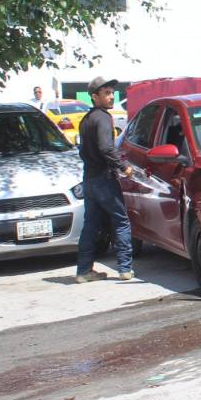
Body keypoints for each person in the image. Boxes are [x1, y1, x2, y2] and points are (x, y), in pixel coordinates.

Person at [75, 77, 134, 283]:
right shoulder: (102, 118)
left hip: (89, 179)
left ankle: (83, 271)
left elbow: (83, 151)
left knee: (91, 225)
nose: (111, 97)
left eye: (112, 93)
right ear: (94, 97)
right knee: (121, 222)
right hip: (103, 179)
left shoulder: (86, 119)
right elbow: (106, 148)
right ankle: (125, 268)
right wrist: (123, 166)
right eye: (106, 93)